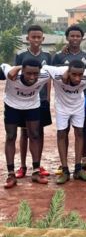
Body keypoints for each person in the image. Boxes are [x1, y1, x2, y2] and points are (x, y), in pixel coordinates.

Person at [52, 25, 86, 174]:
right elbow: (53, 77)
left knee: (83, 129)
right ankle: (63, 164)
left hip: (83, 98)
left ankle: (83, 161)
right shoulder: (59, 56)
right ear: (67, 38)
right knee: (63, 130)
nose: (75, 39)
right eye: (72, 36)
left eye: (78, 36)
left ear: (82, 38)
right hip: (64, 99)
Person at [1, 59, 50, 188]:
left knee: (34, 135)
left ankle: (36, 171)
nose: (32, 77)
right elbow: (4, 65)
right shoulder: (12, 73)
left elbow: (64, 71)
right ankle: (11, 174)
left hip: (32, 106)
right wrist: (16, 67)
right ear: (22, 70)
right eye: (28, 73)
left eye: (35, 74)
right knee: (11, 136)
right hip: (12, 105)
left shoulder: (45, 74)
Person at [43, 61, 86, 184]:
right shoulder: (56, 73)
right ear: (69, 72)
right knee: (61, 133)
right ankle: (65, 170)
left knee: (79, 133)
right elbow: (44, 67)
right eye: (74, 74)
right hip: (61, 107)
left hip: (78, 106)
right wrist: (65, 73)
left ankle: (78, 169)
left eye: (80, 75)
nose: (77, 78)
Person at [14, 25, 52, 179]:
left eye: (39, 37)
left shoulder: (48, 56)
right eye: (33, 37)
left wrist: (48, 97)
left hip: (41, 99)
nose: (36, 40)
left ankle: (38, 164)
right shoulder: (20, 55)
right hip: (24, 99)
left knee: (39, 132)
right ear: (27, 38)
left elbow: (48, 77)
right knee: (24, 132)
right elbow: (15, 76)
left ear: (43, 39)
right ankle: (22, 166)